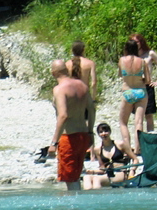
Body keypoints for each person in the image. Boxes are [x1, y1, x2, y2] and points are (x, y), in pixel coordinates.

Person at [48, 59, 95, 190]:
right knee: (76, 177)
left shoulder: (59, 90)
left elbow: (63, 115)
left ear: (53, 73)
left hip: (69, 138)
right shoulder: (82, 85)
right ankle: (78, 208)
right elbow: (91, 109)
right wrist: (90, 132)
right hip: (83, 135)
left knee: (70, 180)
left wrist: (54, 142)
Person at [118, 39, 150, 154]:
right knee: (139, 122)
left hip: (127, 91)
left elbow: (120, 74)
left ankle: (127, 147)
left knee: (123, 122)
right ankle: (138, 148)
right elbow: (148, 80)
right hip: (141, 91)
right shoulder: (142, 61)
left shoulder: (122, 60)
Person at [82, 123, 137, 189]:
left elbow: (135, 159)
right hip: (107, 174)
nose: (103, 133)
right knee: (86, 177)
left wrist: (132, 171)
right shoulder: (97, 149)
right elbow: (102, 169)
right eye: (101, 132)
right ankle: (89, 197)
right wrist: (91, 171)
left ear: (110, 132)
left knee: (96, 179)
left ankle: (97, 197)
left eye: (106, 131)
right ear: (98, 134)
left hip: (120, 173)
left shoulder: (120, 144)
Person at [130, 33, 157, 132]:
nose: (135, 44)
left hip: (147, 85)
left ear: (141, 42)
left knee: (149, 115)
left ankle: (150, 136)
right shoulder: (131, 55)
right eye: (133, 42)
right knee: (138, 115)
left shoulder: (150, 53)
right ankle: (139, 138)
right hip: (136, 86)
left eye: (137, 41)